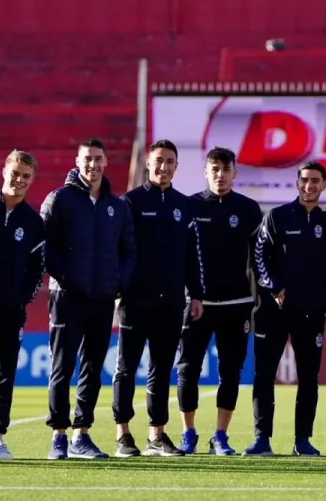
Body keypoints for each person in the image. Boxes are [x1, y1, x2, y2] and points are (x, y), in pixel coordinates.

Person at [244, 161, 326, 457]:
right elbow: (259, 253)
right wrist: (274, 287)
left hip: (312, 312)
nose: (309, 185)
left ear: (324, 185)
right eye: (304, 180)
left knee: (308, 377)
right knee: (264, 374)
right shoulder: (277, 216)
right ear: (297, 182)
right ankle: (261, 438)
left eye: (315, 181)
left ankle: (302, 439)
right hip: (273, 310)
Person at [41, 139, 136, 460]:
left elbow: (129, 250)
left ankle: (82, 435)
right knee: (61, 367)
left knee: (93, 369)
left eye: (98, 159)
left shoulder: (118, 206)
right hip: (66, 296)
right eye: (87, 159)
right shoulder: (59, 199)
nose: (92, 165)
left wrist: (119, 282)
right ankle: (58, 436)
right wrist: (66, 277)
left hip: (102, 299)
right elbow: (44, 247)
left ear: (105, 162)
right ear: (77, 161)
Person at [113, 139, 205, 458]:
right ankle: (123, 435)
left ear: (176, 167)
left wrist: (196, 294)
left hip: (171, 303)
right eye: (158, 160)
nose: (163, 166)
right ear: (148, 163)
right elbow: (118, 250)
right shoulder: (130, 202)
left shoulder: (185, 205)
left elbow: (193, 255)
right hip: (135, 300)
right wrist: (119, 288)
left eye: (169, 161)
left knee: (162, 369)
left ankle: (157, 435)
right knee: (126, 368)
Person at [176, 147, 263, 455]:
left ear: (235, 173)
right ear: (206, 172)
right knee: (188, 369)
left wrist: (266, 292)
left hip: (236, 304)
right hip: (197, 304)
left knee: (231, 373)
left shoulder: (250, 209)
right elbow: (179, 256)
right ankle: (188, 433)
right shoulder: (188, 207)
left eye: (227, 170)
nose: (221, 175)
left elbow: (260, 258)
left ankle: (220, 436)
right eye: (215, 169)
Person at [0, 150, 46, 460]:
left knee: (4, 376)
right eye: (15, 173)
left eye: (26, 176)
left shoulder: (33, 222)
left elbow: (36, 268)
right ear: (4, 171)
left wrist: (21, 300)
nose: (19, 180)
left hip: (10, 313)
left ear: (32, 180)